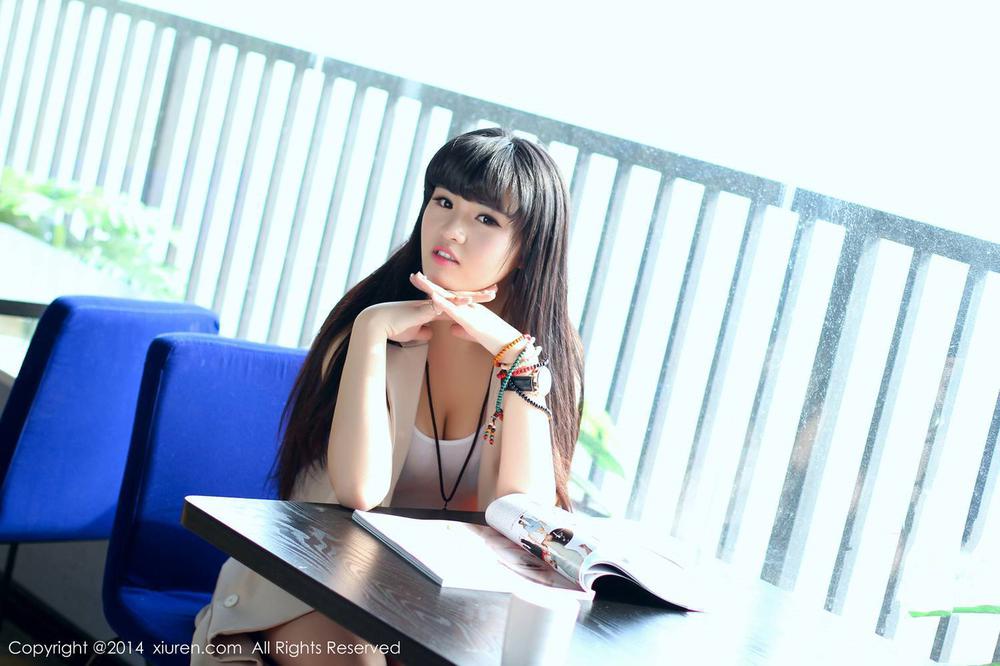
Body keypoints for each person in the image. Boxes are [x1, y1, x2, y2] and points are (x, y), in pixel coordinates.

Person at [191, 127, 585, 665]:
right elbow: (360, 490)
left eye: (486, 220)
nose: (452, 230)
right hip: (309, 587)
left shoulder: (537, 356)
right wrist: (371, 332)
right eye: (443, 202)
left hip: (437, 608)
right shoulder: (371, 321)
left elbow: (523, 515)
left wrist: (516, 362)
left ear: (526, 250)